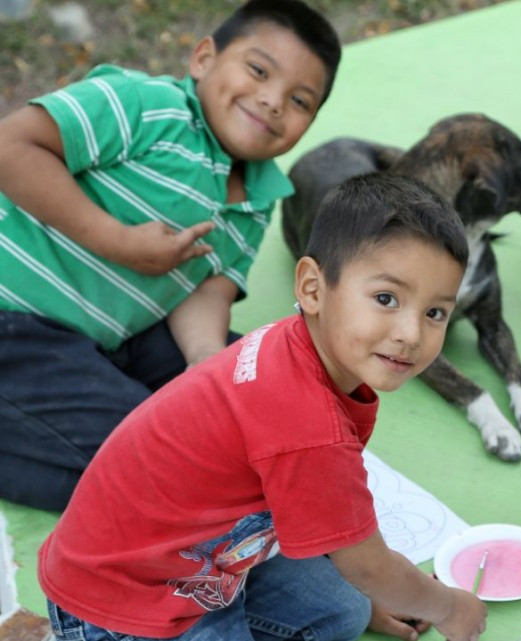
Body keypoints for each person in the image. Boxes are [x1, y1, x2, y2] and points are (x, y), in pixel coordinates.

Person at [38, 173, 487, 641]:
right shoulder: (308, 423)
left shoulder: (297, 346)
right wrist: (448, 607)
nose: (412, 334)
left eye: (435, 312)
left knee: (343, 611)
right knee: (361, 586)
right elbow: (368, 566)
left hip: (186, 556)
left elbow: (351, 553)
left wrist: (381, 586)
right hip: (121, 601)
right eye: (386, 299)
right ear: (313, 288)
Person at [0, 0, 340, 511]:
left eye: (299, 100)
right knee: (153, 459)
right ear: (203, 58)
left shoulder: (261, 196)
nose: (272, 101)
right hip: (17, 320)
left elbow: (205, 286)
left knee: (265, 377)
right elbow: (11, 147)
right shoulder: (147, 104)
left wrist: (205, 361)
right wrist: (118, 241)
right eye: (257, 70)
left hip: (120, 332)